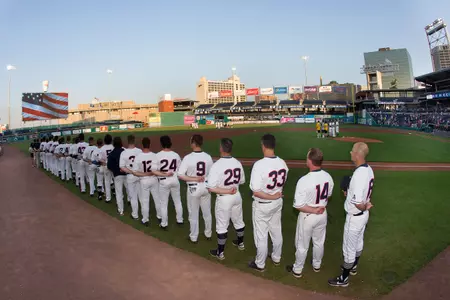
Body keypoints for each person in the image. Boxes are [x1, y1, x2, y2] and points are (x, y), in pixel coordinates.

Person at [328, 142, 375, 288]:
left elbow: (358, 202)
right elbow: (362, 193)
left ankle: (344, 279)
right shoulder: (369, 170)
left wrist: (365, 205)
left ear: (357, 154)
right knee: (359, 242)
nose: (350, 153)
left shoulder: (359, 174)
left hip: (354, 218)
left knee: (348, 248)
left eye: (352, 151)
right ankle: (354, 266)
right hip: (363, 217)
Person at [286, 148, 334, 278]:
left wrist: (313, 209)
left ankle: (298, 269)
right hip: (322, 214)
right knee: (319, 242)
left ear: (310, 160)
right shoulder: (328, 177)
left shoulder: (304, 180)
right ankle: (317, 265)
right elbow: (328, 195)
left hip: (308, 215)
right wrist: (320, 206)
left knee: (302, 244)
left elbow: (298, 205)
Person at [249, 134, 289, 272]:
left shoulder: (259, 165)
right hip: (277, 202)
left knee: (261, 235)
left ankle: (260, 263)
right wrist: (275, 196)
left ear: (263, 146)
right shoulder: (282, 163)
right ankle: (276, 257)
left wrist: (270, 197)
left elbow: (255, 191)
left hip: (263, 204)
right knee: (276, 230)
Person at [207, 138, 245, 261]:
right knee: (238, 220)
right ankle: (240, 243)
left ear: (221, 148)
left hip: (224, 198)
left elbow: (211, 187)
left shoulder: (217, 165)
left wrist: (226, 190)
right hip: (236, 196)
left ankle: (220, 253)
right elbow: (242, 181)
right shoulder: (237, 163)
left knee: (222, 226)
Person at [178, 134, 213, 243]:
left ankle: (194, 237)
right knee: (207, 212)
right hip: (206, 186)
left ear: (193, 143)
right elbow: (212, 174)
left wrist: (194, 178)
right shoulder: (208, 157)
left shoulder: (188, 158)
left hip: (194, 187)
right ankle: (208, 233)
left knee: (193, 213)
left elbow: (180, 175)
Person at [131, 137, 171, 226]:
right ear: (150, 144)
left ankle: (145, 219)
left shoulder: (138, 157)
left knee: (145, 200)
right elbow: (159, 169)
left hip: (144, 180)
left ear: (142, 145)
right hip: (154, 179)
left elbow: (134, 172)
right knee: (157, 199)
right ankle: (160, 217)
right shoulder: (154, 155)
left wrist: (145, 174)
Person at [156, 135, 183, 228]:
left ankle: (164, 223)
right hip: (175, 179)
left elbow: (154, 170)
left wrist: (163, 174)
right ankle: (180, 220)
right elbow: (180, 169)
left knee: (163, 203)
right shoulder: (176, 155)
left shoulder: (158, 155)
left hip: (164, 181)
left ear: (161, 144)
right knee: (178, 201)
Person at [119, 135, 143, 220]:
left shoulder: (124, 152)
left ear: (127, 141)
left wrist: (131, 171)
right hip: (139, 175)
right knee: (141, 196)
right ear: (134, 140)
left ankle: (135, 215)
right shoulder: (139, 151)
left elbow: (122, 166)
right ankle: (144, 215)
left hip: (130, 176)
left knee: (133, 197)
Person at [107, 136, 127, 215]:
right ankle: (134, 210)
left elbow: (109, 166)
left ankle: (120, 210)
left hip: (117, 175)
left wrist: (115, 170)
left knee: (119, 193)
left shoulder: (112, 153)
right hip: (126, 174)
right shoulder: (125, 151)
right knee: (130, 192)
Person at [100, 134, 114, 203]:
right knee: (116, 182)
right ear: (111, 140)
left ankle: (108, 198)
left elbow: (100, 159)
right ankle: (119, 196)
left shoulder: (102, 148)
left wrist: (105, 162)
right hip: (114, 166)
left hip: (106, 166)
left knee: (107, 182)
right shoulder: (113, 147)